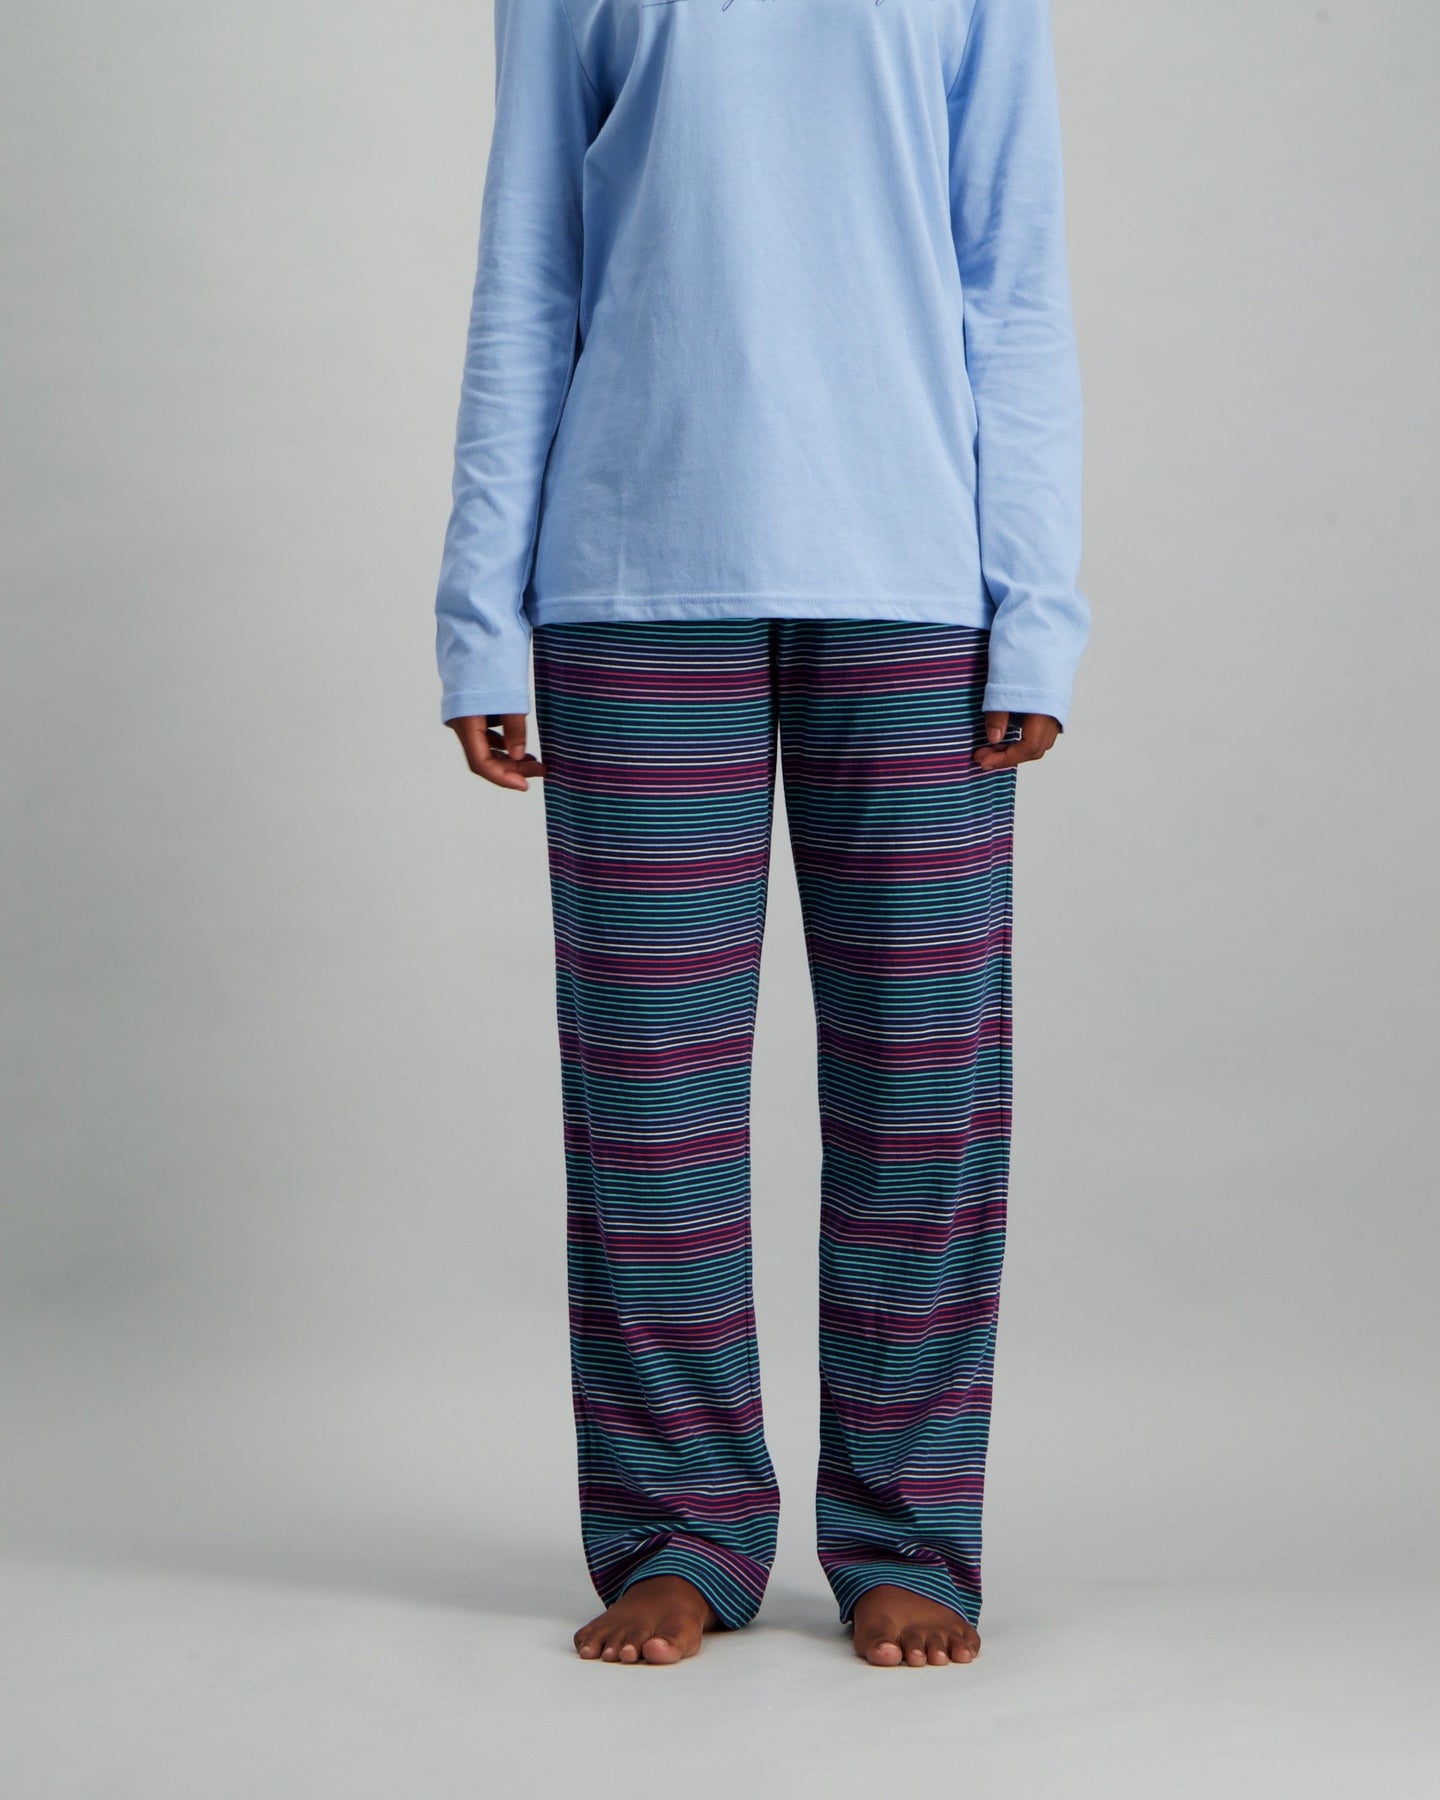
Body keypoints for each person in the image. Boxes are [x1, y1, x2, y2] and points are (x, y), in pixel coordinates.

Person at [435, 0, 1087, 1669]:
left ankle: (909, 1532)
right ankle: (681, 1528)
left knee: (922, 1087)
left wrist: (1038, 605)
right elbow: (529, 268)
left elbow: (1013, 280)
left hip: (914, 580)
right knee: (647, 1099)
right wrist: (479, 613)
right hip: (632, 576)